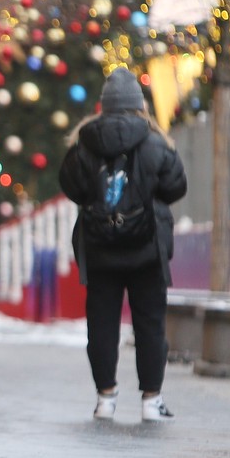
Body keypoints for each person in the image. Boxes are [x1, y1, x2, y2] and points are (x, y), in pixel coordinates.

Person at [57, 67, 187, 423]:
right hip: (147, 247)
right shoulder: (156, 142)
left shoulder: (84, 143)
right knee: (150, 323)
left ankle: (105, 398)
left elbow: (71, 186)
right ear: (138, 106)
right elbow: (177, 187)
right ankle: (151, 399)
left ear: (105, 105)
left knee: (102, 324)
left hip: (100, 248)